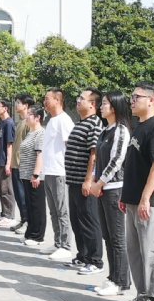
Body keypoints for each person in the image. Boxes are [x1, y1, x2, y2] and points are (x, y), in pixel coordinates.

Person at [120, 81, 154, 301]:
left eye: (136, 97)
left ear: (151, 100)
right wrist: (126, 196)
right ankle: (144, 294)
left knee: (152, 251)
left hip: (148, 202)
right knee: (136, 251)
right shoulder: (139, 126)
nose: (132, 101)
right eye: (131, 97)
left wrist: (145, 198)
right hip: (133, 200)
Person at [90, 90, 132, 296]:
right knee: (107, 235)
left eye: (105, 103)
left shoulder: (121, 130)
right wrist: (94, 180)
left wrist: (100, 182)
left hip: (114, 189)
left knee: (117, 237)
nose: (101, 107)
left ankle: (122, 281)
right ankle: (113, 277)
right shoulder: (105, 130)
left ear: (114, 107)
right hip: (102, 188)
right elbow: (98, 159)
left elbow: (116, 160)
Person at [64, 88, 104, 274]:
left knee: (89, 220)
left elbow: (94, 154)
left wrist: (89, 179)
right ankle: (83, 256)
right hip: (73, 181)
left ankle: (95, 260)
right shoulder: (80, 123)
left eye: (82, 98)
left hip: (83, 181)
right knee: (77, 220)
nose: (78, 100)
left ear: (92, 104)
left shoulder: (95, 123)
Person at [40, 88, 75, 261]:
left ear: (57, 100)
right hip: (49, 172)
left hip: (60, 172)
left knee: (62, 211)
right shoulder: (51, 120)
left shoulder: (64, 120)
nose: (45, 102)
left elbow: (70, 147)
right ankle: (57, 242)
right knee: (53, 211)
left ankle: (66, 246)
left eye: (47, 99)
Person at [19, 106, 46, 246]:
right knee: (29, 205)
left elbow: (40, 155)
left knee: (37, 206)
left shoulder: (40, 133)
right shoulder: (30, 132)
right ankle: (30, 233)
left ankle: (37, 236)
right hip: (25, 175)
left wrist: (36, 174)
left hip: (35, 176)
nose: (27, 116)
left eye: (30, 114)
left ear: (37, 118)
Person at [0, 99, 18, 228]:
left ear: (5, 108)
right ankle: (4, 213)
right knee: (1, 189)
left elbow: (10, 144)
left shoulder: (9, 123)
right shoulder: (1, 123)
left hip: (5, 160)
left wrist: (8, 163)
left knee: (7, 189)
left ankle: (10, 216)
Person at [10, 94, 34, 235]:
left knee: (24, 196)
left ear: (26, 106)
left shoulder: (28, 123)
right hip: (15, 165)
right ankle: (23, 219)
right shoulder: (20, 122)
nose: (16, 105)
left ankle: (28, 222)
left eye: (19, 103)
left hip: (23, 166)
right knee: (19, 196)